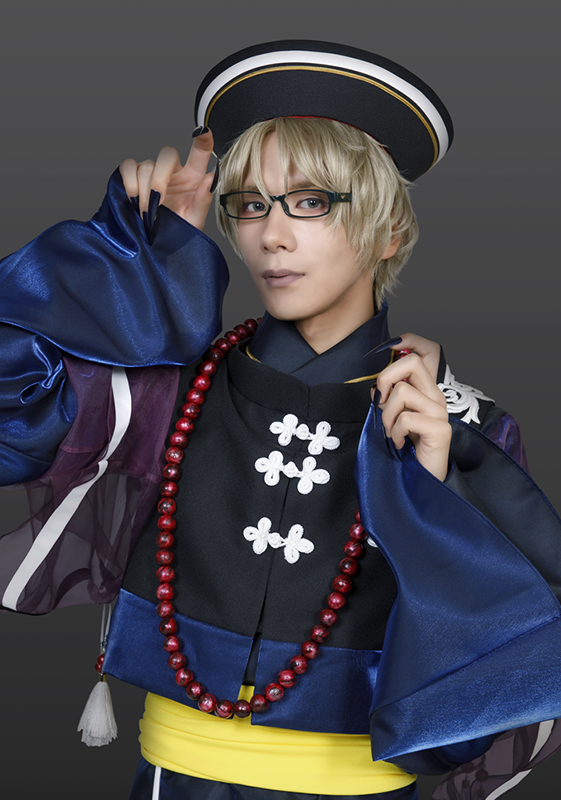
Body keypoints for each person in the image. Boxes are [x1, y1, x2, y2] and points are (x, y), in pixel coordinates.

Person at [1, 40, 561, 800]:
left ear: (390, 231)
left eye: (311, 202)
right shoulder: (166, 392)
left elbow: (502, 680)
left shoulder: (461, 431)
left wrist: (431, 508)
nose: (272, 234)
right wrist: (129, 264)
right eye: (251, 204)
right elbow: (12, 410)